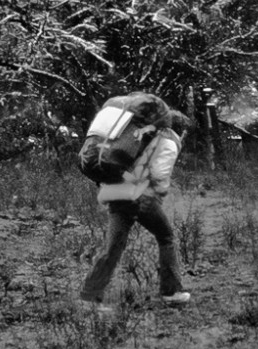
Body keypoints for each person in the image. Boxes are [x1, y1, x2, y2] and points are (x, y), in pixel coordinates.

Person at [80, 109, 193, 308]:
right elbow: (159, 173)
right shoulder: (169, 140)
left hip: (116, 192)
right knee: (166, 236)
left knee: (113, 246)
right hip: (140, 196)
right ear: (180, 130)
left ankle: (90, 296)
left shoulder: (140, 136)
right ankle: (172, 292)